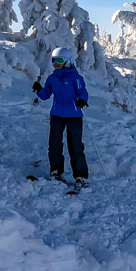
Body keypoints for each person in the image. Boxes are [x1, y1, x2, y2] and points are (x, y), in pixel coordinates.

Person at [32, 47, 90, 186]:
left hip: (74, 115)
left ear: (67, 61)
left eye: (59, 60)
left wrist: (82, 100)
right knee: (54, 143)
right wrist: (39, 90)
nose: (56, 63)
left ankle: (80, 176)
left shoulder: (76, 78)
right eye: (54, 60)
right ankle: (56, 171)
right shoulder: (52, 78)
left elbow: (83, 92)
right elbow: (46, 95)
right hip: (57, 114)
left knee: (75, 145)